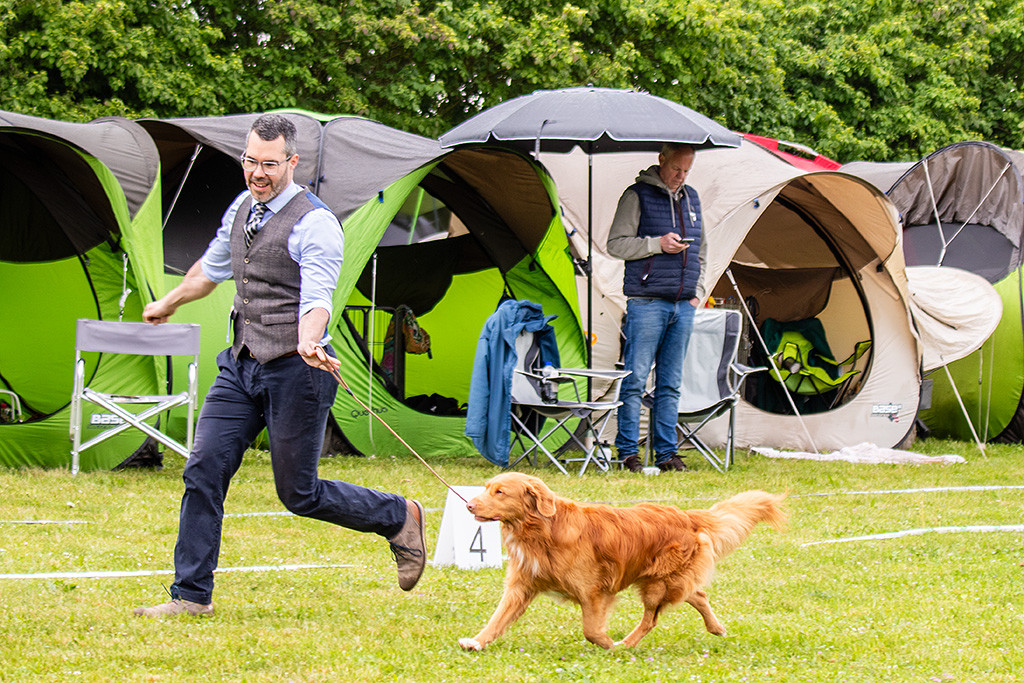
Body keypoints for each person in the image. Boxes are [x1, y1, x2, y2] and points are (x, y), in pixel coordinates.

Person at [134, 114, 425, 618]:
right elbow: (211, 268)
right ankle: (190, 597)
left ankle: (397, 515)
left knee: (299, 493)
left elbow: (317, 299)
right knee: (203, 468)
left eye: (269, 164)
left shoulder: (316, 224)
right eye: (250, 161)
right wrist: (170, 301)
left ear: (293, 162)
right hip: (242, 364)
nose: (257, 173)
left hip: (299, 371)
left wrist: (310, 341)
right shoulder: (242, 207)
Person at [606, 143, 705, 473]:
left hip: (683, 304)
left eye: (687, 170)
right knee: (635, 380)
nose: (681, 176)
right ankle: (628, 453)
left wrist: (698, 292)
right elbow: (616, 244)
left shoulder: (692, 198)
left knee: (670, 384)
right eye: (676, 168)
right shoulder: (636, 195)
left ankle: (666, 454)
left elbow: (701, 249)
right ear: (661, 161)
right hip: (646, 302)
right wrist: (656, 244)